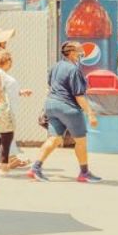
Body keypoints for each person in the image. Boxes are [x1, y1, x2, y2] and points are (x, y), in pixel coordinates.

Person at [29, 41, 103, 183]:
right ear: (71, 52)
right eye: (79, 50)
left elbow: (50, 86)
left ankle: (35, 168)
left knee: (54, 139)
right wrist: (91, 114)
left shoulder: (55, 66)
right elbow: (79, 95)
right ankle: (84, 173)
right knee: (81, 141)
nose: (82, 53)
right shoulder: (73, 70)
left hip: (51, 105)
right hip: (68, 108)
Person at [0, 47, 32, 172]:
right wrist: (0, 98)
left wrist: (21, 92)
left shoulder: (0, 72)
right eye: (9, 59)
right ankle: (2, 165)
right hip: (3, 109)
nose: (11, 62)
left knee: (5, 136)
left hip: (6, 107)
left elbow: (7, 89)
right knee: (7, 135)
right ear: (3, 60)